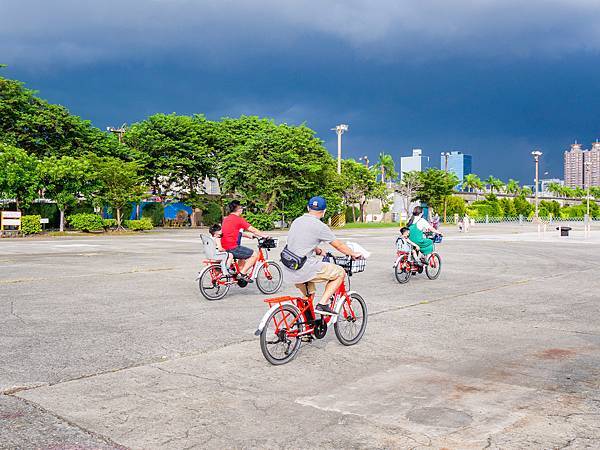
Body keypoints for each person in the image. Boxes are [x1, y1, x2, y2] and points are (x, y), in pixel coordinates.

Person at [282, 196, 362, 316]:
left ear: (308, 208)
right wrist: (353, 253)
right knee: (340, 272)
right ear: (324, 211)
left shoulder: (297, 221)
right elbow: (339, 245)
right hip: (304, 268)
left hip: (289, 267)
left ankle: (305, 325)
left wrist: (318, 250)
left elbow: (300, 241)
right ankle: (323, 304)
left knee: (309, 294)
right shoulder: (320, 226)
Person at [220, 200, 270, 279]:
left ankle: (239, 275)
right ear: (239, 209)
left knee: (243, 256)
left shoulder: (226, 219)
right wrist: (264, 235)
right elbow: (252, 229)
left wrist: (250, 236)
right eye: (241, 207)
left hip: (224, 246)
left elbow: (233, 232)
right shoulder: (238, 219)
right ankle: (242, 274)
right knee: (254, 255)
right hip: (233, 247)